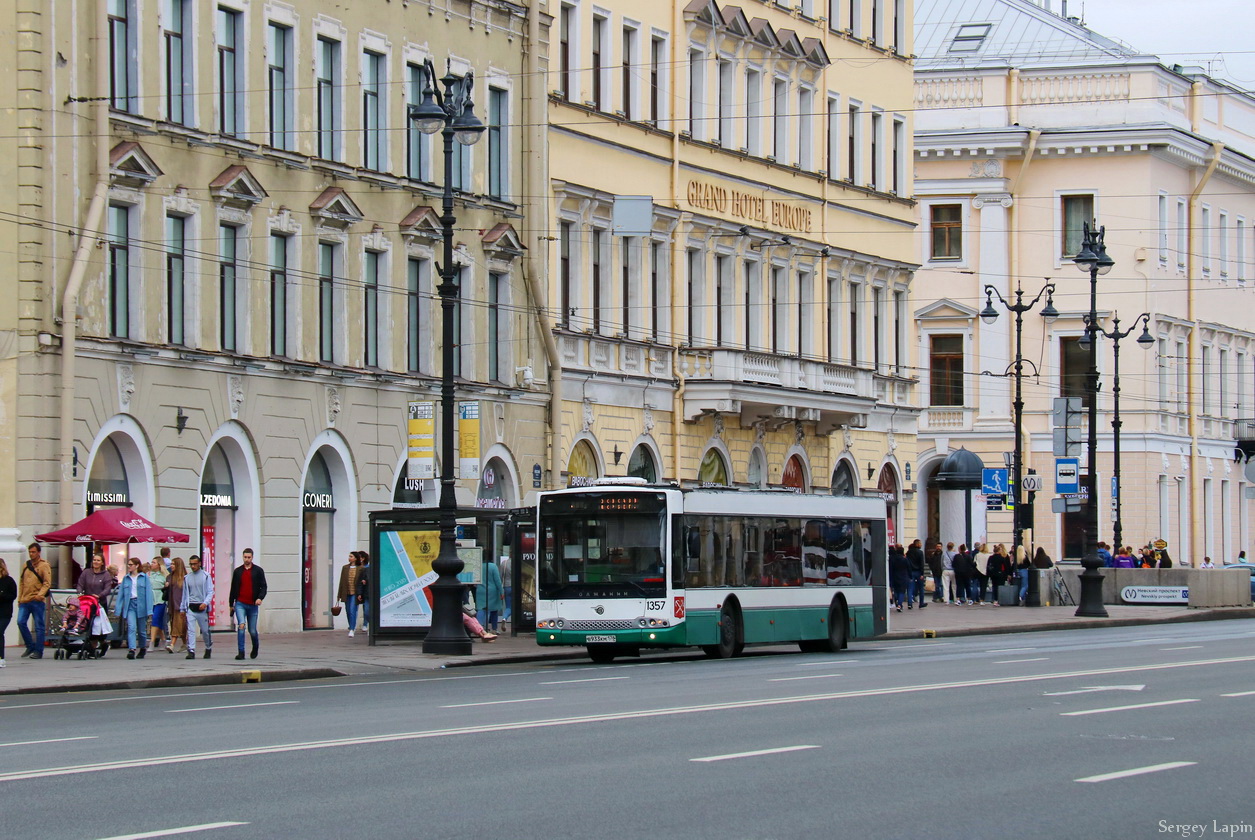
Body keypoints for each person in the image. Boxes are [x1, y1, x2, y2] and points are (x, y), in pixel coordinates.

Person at [229, 548, 267, 660]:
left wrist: (260, 598)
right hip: (240, 603)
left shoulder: (258, 571)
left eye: (249, 557)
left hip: (253, 604)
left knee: (253, 630)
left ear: (252, 557)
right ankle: (241, 652)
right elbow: (233, 588)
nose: (247, 559)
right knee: (241, 626)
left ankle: (255, 647)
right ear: (242, 557)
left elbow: (264, 586)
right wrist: (231, 604)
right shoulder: (238, 571)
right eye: (245, 557)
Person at [17, 543, 52, 659]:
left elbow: (47, 583)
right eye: (30, 552)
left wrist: (40, 595)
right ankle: (29, 645)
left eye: (33, 552)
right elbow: (22, 582)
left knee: (39, 626)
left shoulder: (44, 565)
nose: (31, 554)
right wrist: (20, 598)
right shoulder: (26, 565)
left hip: (37, 600)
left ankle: (38, 650)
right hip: (25, 599)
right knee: (21, 622)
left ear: (38, 552)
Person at [78, 552, 115, 657]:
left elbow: (108, 588)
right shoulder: (86, 572)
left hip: (100, 604)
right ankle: (92, 648)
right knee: (89, 625)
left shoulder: (106, 574)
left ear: (102, 562)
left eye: (98, 560)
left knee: (99, 628)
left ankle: (103, 644)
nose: (96, 562)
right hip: (88, 603)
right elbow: (80, 583)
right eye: (94, 560)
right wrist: (80, 592)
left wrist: (99, 595)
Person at [114, 557, 151, 659]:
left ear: (137, 565)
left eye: (131, 565)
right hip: (130, 604)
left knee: (142, 630)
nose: (129, 566)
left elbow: (148, 594)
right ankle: (132, 649)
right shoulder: (126, 578)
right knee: (131, 627)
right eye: (128, 565)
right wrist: (118, 609)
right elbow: (121, 595)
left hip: (141, 604)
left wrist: (149, 609)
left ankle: (142, 647)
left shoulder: (144, 577)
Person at [182, 555, 213, 659]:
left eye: (195, 564)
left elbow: (210, 591)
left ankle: (208, 647)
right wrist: (183, 608)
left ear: (199, 563)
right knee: (191, 630)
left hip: (202, 607)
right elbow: (185, 593)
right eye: (191, 564)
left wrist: (205, 603)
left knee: (205, 630)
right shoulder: (187, 578)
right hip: (191, 606)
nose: (193, 566)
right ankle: (191, 650)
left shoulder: (206, 576)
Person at [336, 552, 364, 637]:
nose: (349, 558)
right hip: (346, 592)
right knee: (348, 611)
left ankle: (352, 629)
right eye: (349, 556)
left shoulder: (361, 568)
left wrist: (361, 593)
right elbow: (342, 582)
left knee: (352, 610)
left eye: (351, 556)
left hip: (355, 593)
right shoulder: (345, 568)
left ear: (356, 558)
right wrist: (339, 595)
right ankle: (351, 626)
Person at [166, 557, 188, 653]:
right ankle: (185, 644)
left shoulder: (185, 578)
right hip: (172, 605)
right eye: (171, 564)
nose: (171, 566)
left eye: (174, 564)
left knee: (176, 625)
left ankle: (172, 644)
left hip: (181, 605)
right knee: (180, 626)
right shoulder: (170, 577)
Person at [146, 558, 168, 652]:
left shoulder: (164, 575)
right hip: (151, 599)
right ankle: (163, 640)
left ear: (159, 564)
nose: (152, 564)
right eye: (152, 562)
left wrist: (167, 585)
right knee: (156, 621)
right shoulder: (149, 574)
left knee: (155, 619)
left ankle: (152, 642)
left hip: (160, 599)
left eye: (154, 562)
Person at [478, 558, 505, 632]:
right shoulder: (493, 566)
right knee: (493, 610)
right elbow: (497, 580)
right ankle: (494, 628)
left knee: (481, 609)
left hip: (480, 590)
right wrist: (501, 591)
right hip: (492, 591)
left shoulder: (478, 566)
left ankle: (480, 628)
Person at [0, 558, 15, 667]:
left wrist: (2, 595)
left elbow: (12, 596)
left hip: (5, 612)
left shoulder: (9, 581)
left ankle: (1, 658)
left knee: (0, 632)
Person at [905, 539, 927, 610]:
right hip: (918, 571)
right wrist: (922, 573)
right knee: (921, 588)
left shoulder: (909, 552)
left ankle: (910, 603)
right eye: (920, 543)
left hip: (910, 571)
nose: (921, 545)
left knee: (910, 588)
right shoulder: (920, 552)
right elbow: (921, 563)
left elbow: (907, 562)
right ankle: (921, 603)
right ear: (917, 544)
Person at [889, 545, 910, 612]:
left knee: (896, 591)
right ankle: (899, 605)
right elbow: (909, 568)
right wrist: (910, 576)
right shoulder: (905, 559)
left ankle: (897, 601)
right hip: (903, 577)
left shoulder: (893, 559)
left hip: (895, 576)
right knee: (902, 591)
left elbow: (891, 568)